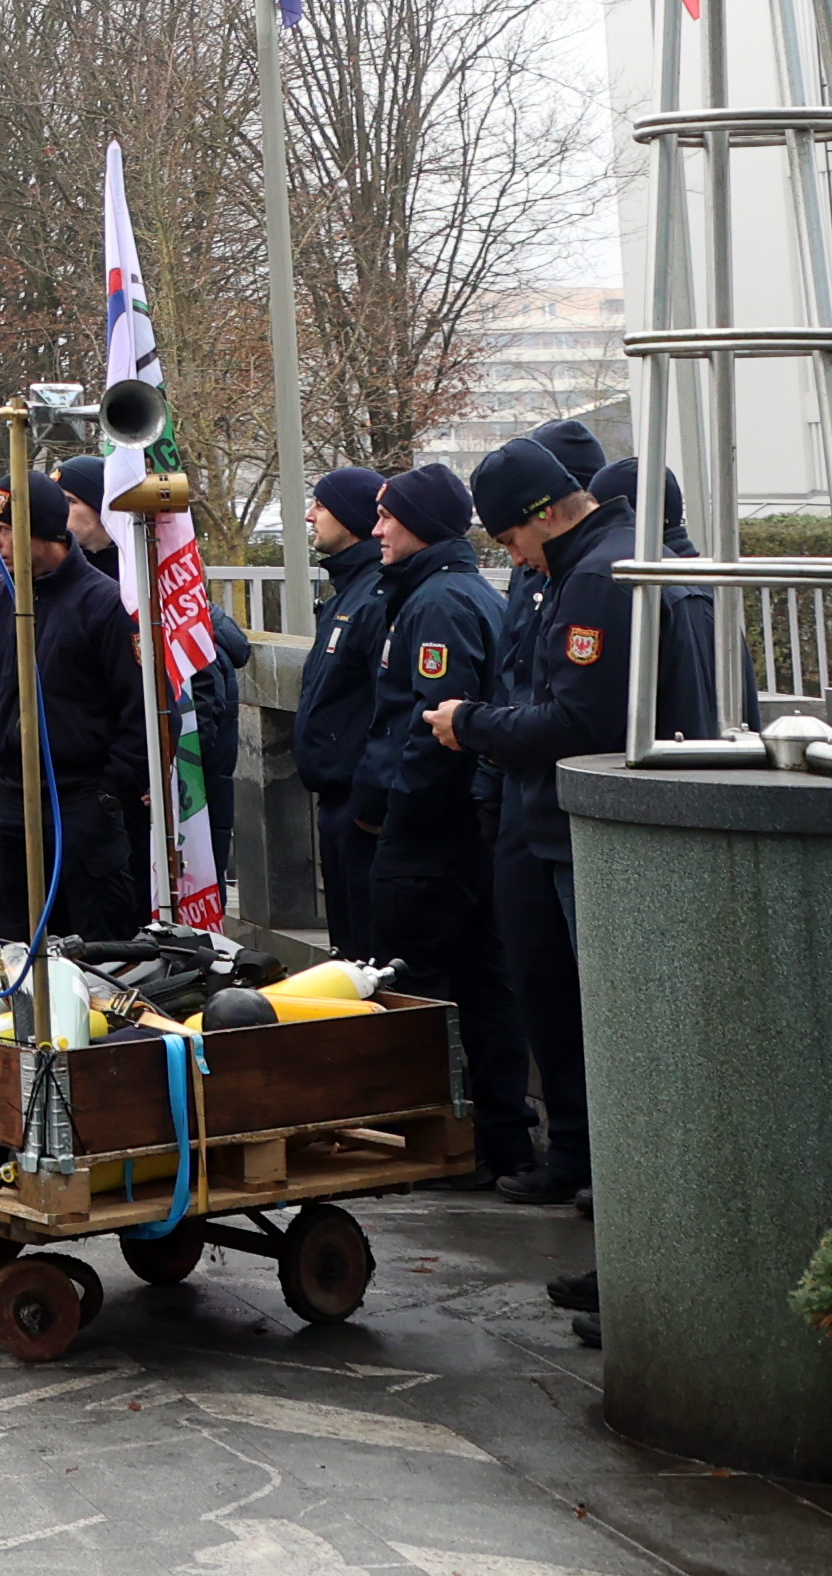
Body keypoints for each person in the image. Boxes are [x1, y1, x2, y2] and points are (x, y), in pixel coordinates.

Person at [443, 432, 691, 1218]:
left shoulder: (593, 576)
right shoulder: (619, 558)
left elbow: (577, 720)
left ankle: (632, 1223)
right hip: (607, 825)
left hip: (598, 833)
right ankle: (610, 1196)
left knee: (622, 1046)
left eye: (512, 539)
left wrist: (473, 724)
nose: (513, 559)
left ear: (545, 515)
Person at [344, 461, 527, 1184]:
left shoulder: (440, 605)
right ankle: (492, 1140)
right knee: (479, 984)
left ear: (421, 524)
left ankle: (453, 1145)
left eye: (389, 516)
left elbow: (432, 728)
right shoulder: (437, 593)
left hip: (430, 837)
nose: (377, 528)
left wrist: (392, 814)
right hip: (450, 832)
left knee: (425, 990)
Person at [0, 470, 149, 944]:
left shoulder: (105, 604)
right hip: (8, 802)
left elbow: (140, 712)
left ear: (44, 532)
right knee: (14, 949)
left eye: (6, 531)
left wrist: (108, 794)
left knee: (97, 950)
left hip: (81, 805)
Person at [290, 466, 390, 966]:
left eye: (322, 507)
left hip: (361, 805)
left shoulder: (374, 595)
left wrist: (368, 803)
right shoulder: (347, 590)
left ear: (351, 518)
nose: (310, 516)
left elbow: (385, 707)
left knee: (367, 953)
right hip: (339, 801)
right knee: (348, 948)